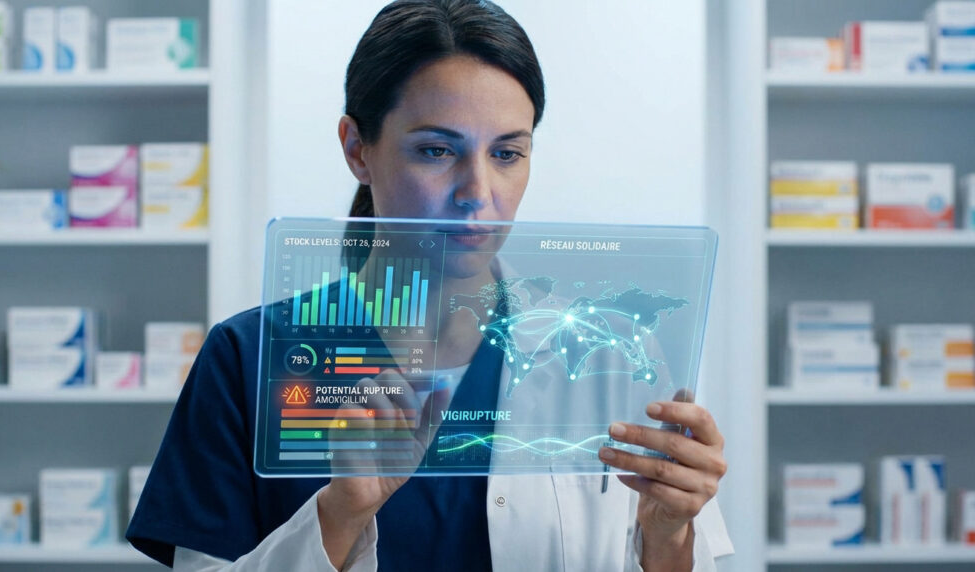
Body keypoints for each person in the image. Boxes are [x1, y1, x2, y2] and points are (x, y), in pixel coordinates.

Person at [126, 1, 733, 570]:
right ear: (357, 149)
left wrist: (668, 535)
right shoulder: (249, 360)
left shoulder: (611, 354)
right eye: (437, 150)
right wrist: (339, 516)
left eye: (506, 154)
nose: (478, 193)